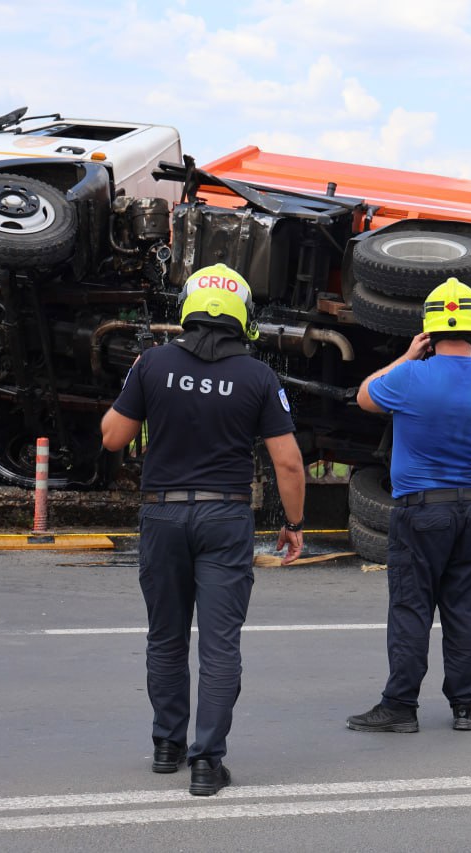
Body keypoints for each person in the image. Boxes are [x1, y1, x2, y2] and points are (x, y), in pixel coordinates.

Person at [101, 263, 306, 796]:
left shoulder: (152, 364)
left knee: (165, 638)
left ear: (189, 307)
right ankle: (206, 763)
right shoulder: (259, 376)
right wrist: (294, 524)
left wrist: (139, 394)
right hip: (225, 517)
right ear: (241, 316)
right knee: (219, 647)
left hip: (163, 516)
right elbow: (288, 464)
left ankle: (167, 745)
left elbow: (112, 438)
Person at [346, 277, 471, 734]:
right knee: (464, 609)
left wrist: (407, 356)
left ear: (429, 327)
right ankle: (466, 706)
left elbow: (365, 395)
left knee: (412, 608)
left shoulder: (411, 376)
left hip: (422, 512)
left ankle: (400, 707)